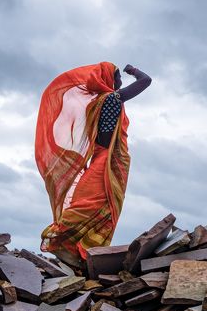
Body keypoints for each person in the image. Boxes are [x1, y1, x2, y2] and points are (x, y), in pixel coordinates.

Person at [35, 61, 151, 269]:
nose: (120, 81)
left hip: (105, 158)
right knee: (89, 203)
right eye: (118, 77)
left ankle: (82, 253)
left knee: (101, 205)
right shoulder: (112, 99)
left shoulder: (97, 103)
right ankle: (61, 242)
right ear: (108, 79)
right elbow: (146, 81)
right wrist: (133, 70)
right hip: (107, 159)